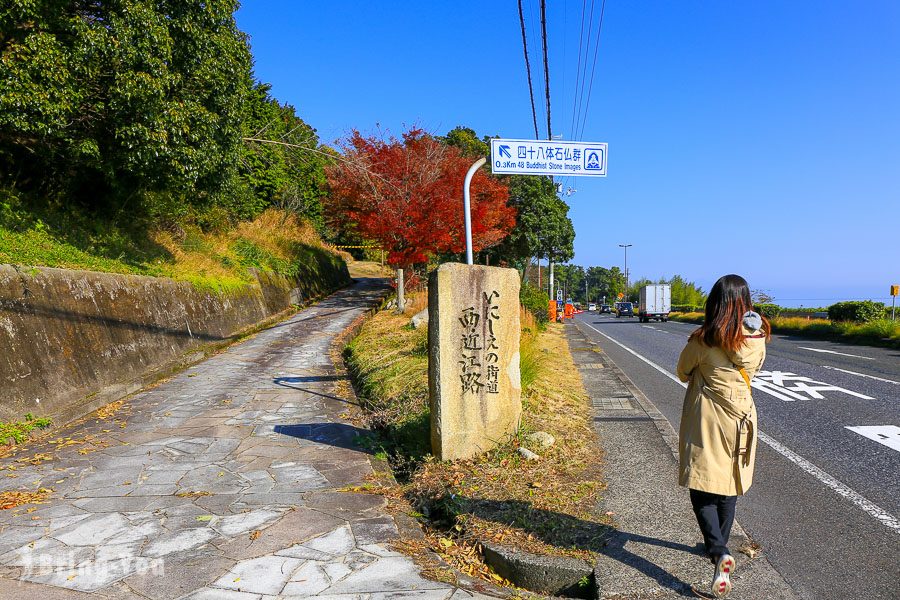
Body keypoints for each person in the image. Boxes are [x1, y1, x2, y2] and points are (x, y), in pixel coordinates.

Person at [676, 274, 770, 599]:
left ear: (715, 304)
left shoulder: (703, 341)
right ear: (746, 304)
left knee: (701, 488)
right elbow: (752, 371)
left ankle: (718, 552)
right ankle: (720, 551)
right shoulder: (757, 338)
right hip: (743, 418)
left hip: (710, 421)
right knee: (727, 486)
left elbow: (682, 370)